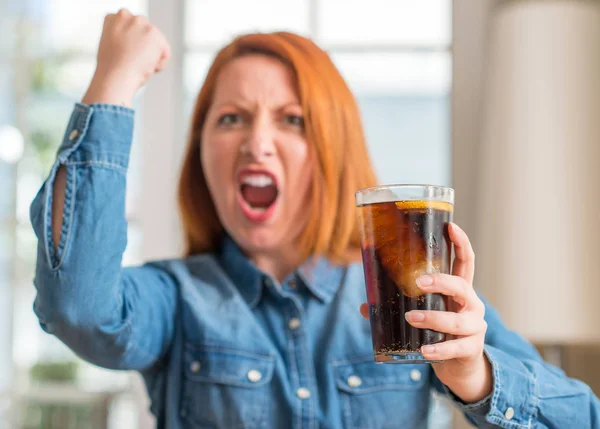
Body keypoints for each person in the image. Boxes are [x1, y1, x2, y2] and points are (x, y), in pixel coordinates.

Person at [29, 9, 600, 429]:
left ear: (331, 148)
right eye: (230, 118)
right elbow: (78, 307)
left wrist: (476, 376)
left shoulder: (407, 295)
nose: (258, 143)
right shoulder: (176, 299)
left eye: (292, 120)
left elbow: (583, 417)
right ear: (201, 154)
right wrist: (113, 85)